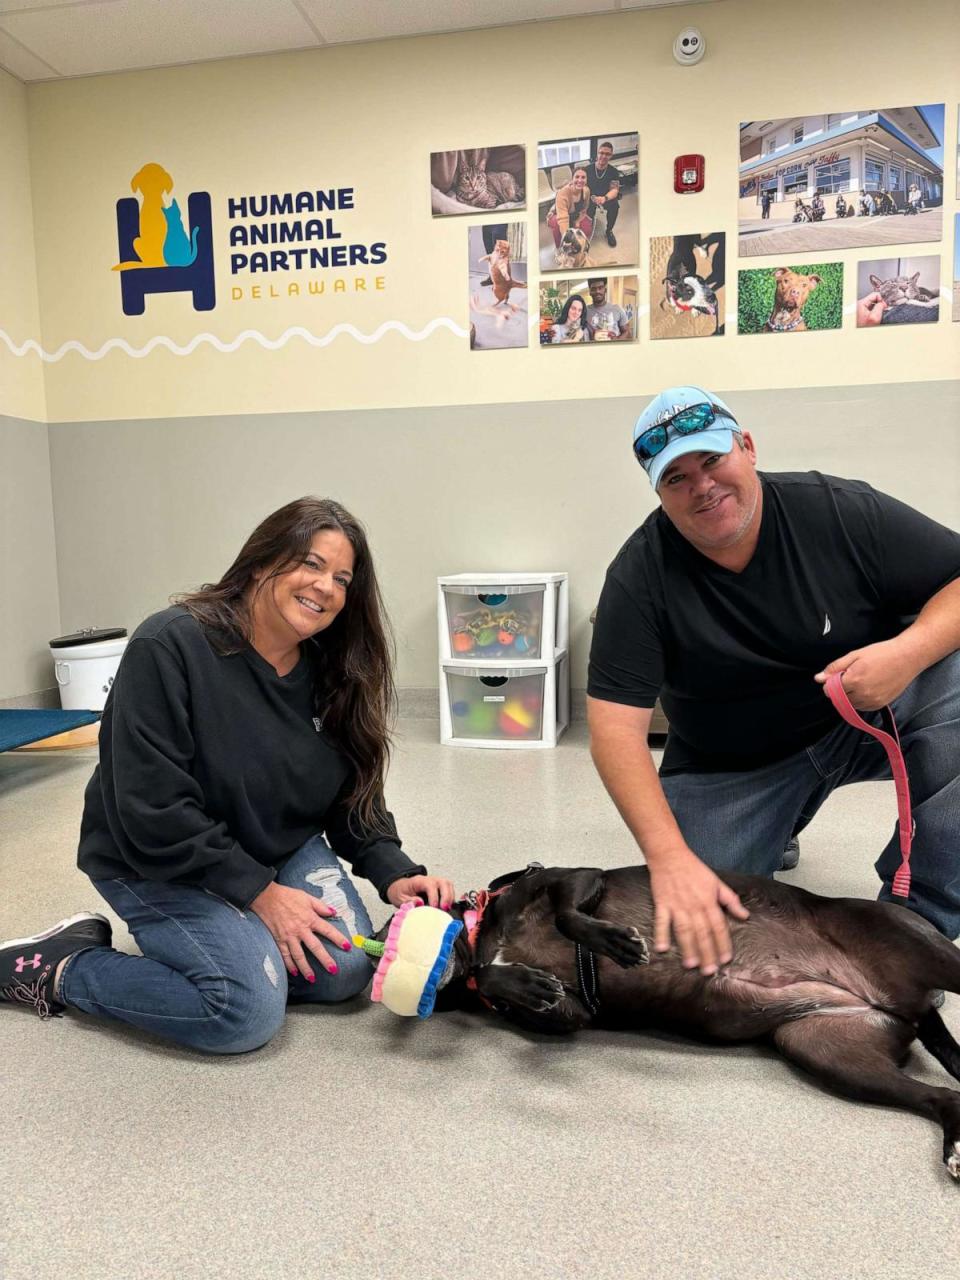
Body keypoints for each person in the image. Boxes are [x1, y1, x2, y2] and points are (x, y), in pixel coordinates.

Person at [0, 497, 455, 1052]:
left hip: (273, 843)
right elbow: (151, 808)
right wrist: (260, 894)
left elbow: (351, 789)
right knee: (241, 1012)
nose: (327, 587)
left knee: (344, 973)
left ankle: (235, 942)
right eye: (310, 563)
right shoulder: (169, 645)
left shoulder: (336, 668)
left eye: (342, 577)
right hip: (154, 859)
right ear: (262, 561)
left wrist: (392, 868)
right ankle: (63, 966)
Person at [587, 386, 960, 977]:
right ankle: (776, 824)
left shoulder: (837, 510)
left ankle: (922, 927)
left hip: (859, 718)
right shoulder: (639, 575)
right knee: (695, 945)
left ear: (748, 447)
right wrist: (669, 858)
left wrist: (907, 651)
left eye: (711, 460)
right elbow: (614, 733)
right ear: (658, 493)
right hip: (731, 765)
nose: (702, 485)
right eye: (676, 478)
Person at [582, 140, 623, 248]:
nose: (604, 156)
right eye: (601, 153)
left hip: (605, 197)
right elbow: (582, 185)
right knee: (587, 211)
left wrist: (604, 198)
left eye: (607, 154)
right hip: (591, 197)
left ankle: (609, 231)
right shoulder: (587, 169)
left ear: (611, 156)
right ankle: (587, 229)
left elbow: (614, 190)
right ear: (597, 153)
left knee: (615, 207)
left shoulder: (613, 171)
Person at [546, 166, 593, 249]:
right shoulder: (563, 193)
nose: (580, 180)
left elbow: (584, 209)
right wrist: (567, 240)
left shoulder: (586, 191)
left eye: (583, 177)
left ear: (586, 180)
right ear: (572, 179)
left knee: (587, 228)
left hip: (574, 215)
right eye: (577, 177)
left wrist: (578, 221)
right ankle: (560, 249)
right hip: (558, 215)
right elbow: (563, 219)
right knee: (558, 227)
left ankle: (578, 247)